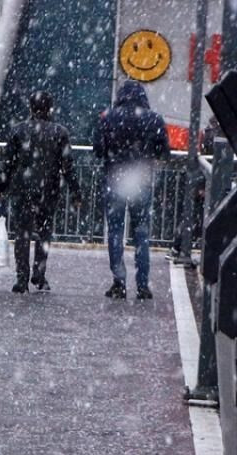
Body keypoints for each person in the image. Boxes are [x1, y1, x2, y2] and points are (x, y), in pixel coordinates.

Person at [0, 91, 81, 293]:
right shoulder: (60, 132)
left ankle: (21, 278)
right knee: (44, 233)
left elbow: (8, 163)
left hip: (23, 189)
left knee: (22, 234)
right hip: (49, 190)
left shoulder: (19, 131)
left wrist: (0, 186)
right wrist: (75, 191)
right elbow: (67, 166)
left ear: (30, 108)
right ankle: (39, 275)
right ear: (50, 108)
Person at [93, 80, 170, 299]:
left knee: (116, 231)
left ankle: (119, 282)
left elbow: (98, 149)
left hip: (115, 180)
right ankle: (143, 285)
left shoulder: (108, 117)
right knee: (141, 232)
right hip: (141, 181)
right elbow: (163, 152)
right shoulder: (153, 118)